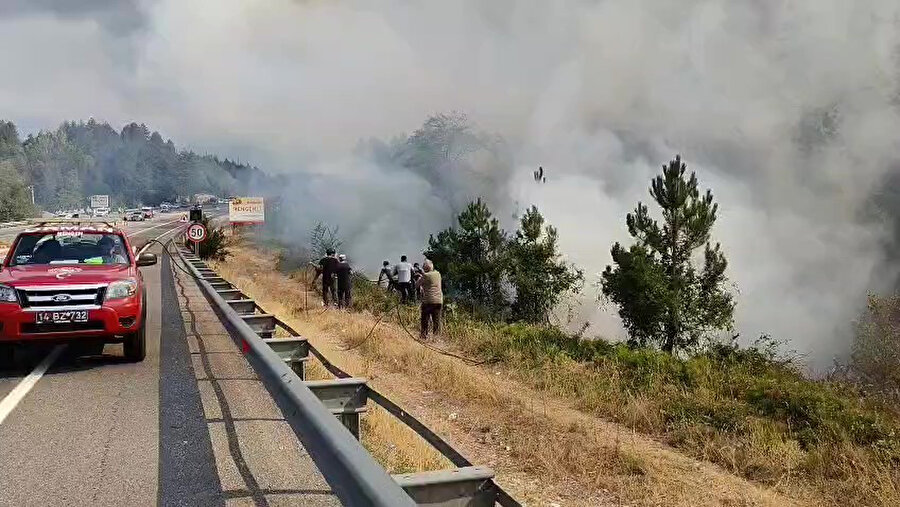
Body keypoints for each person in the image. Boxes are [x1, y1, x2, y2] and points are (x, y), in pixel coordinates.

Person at [416, 260, 443, 339]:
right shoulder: (438, 274)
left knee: (425, 319)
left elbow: (417, 285)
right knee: (436, 320)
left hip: (428, 301)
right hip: (438, 300)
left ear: (425, 268)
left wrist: (420, 276)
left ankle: (423, 336)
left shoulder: (425, 276)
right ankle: (436, 337)